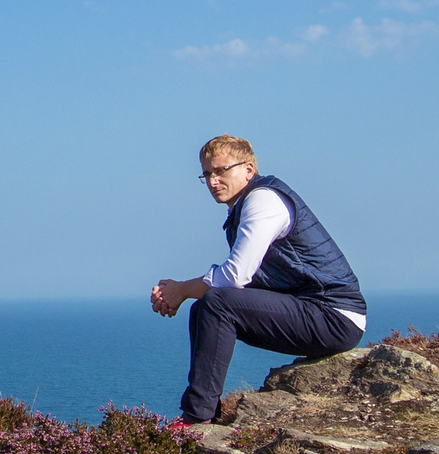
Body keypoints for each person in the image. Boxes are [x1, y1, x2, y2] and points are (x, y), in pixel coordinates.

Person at [151, 134, 368, 424]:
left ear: (249, 170)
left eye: (221, 171)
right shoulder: (246, 205)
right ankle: (203, 413)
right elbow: (245, 280)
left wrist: (180, 289)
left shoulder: (262, 200)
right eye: (207, 174)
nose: (213, 181)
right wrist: (184, 293)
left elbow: (236, 276)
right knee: (204, 307)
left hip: (334, 317)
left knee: (216, 302)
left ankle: (195, 419)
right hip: (313, 310)